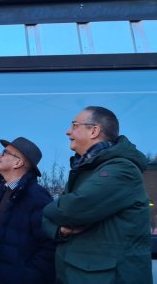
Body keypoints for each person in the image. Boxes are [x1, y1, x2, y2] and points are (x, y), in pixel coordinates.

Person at [42, 106, 151, 283]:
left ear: (94, 131)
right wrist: (60, 230)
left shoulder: (122, 170)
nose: (68, 132)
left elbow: (70, 209)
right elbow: (48, 219)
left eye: (74, 125)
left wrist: (54, 203)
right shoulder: (85, 170)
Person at [0, 137, 55, 284]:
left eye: (5, 152)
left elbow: (49, 247)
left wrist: (26, 277)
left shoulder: (37, 197)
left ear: (18, 162)